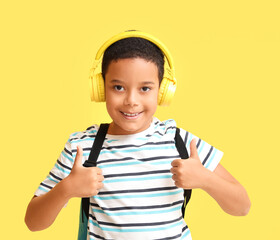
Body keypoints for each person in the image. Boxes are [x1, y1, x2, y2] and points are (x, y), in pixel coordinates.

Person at [24, 30, 251, 239]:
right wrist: (66, 189)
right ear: (101, 88)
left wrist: (206, 179)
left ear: (162, 91)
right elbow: (33, 222)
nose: (131, 101)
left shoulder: (180, 141)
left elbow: (242, 206)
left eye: (145, 88)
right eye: (118, 87)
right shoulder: (81, 147)